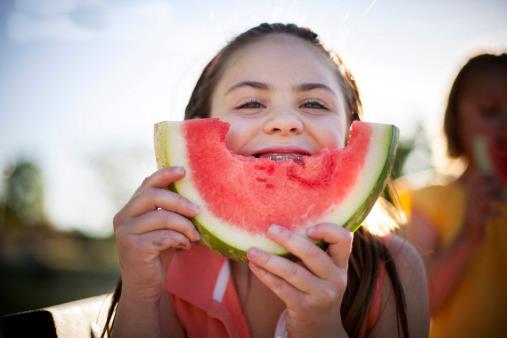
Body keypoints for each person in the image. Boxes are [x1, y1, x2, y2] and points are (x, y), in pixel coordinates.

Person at [104, 23, 428, 338]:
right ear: (199, 128)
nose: (285, 122)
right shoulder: (171, 263)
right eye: (251, 103)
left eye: (314, 103)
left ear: (350, 130)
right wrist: (140, 296)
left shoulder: (394, 268)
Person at [398, 53, 507, 338]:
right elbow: (421, 305)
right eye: (489, 110)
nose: (505, 124)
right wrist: (469, 235)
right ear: (456, 117)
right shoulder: (430, 200)